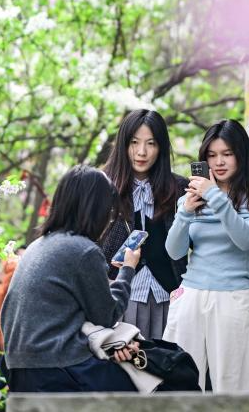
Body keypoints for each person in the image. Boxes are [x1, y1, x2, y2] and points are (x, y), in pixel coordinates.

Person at [1, 166, 143, 393]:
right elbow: (108, 316)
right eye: (109, 210)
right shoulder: (83, 250)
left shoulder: (38, 245)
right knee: (148, 382)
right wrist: (128, 269)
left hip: (18, 366)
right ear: (97, 210)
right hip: (56, 367)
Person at [163, 119, 249, 392]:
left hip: (232, 297)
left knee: (233, 386)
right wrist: (185, 213)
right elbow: (174, 251)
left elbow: (245, 240)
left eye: (227, 154)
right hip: (191, 295)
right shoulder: (191, 199)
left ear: (241, 156)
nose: (219, 162)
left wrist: (215, 196)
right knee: (180, 383)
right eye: (212, 155)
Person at [100, 109, 188, 340]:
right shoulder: (102, 186)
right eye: (134, 142)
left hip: (170, 297)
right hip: (118, 297)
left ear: (161, 148)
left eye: (151, 143)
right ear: (123, 144)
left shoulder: (179, 188)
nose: (142, 152)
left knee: (166, 358)